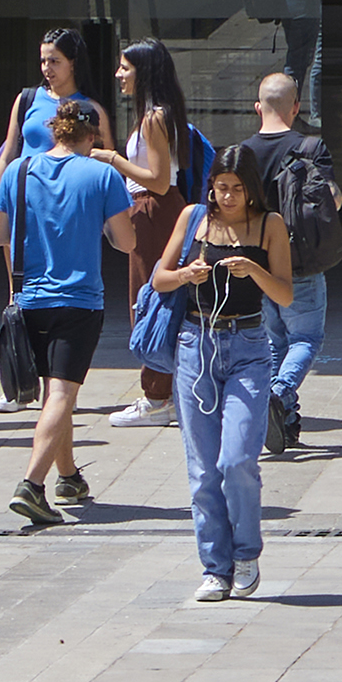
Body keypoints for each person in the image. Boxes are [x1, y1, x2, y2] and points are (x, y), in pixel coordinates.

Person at [145, 149, 293, 600]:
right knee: (203, 469)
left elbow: (284, 294)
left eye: (236, 188)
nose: (226, 197)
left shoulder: (270, 225)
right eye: (220, 187)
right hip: (196, 345)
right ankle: (215, 567)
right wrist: (186, 273)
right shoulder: (194, 218)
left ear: (251, 188)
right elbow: (158, 278)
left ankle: (246, 554)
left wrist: (253, 270)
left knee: (237, 461)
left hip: (248, 347)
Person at [0, 96, 133, 527]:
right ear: (91, 136)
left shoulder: (17, 171)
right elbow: (126, 243)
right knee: (61, 394)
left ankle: (68, 476)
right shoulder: (102, 174)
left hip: (30, 300)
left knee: (57, 391)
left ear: (55, 130)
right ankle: (31, 485)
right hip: (79, 300)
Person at [0, 23, 116, 411]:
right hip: (24, 204)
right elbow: (7, 155)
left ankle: (56, 380)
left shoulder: (91, 109)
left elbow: (106, 159)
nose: (47, 68)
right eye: (42, 60)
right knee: (18, 292)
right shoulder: (26, 100)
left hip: (68, 210)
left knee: (59, 292)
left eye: (54, 60)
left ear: (73, 62)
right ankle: (22, 381)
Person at [223, 70, 342, 456]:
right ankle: (278, 394)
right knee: (307, 338)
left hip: (256, 263)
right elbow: (333, 200)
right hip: (301, 261)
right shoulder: (311, 148)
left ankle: (286, 421)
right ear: (296, 108)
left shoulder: (242, 154)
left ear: (257, 107)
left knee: (276, 341)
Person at [106, 37, 211, 426]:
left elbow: (160, 180)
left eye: (125, 68)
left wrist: (113, 158)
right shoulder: (159, 114)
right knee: (154, 298)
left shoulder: (154, 118)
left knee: (150, 299)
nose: (119, 75)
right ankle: (162, 391)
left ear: (143, 72)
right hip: (151, 211)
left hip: (154, 211)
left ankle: (158, 396)